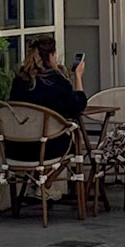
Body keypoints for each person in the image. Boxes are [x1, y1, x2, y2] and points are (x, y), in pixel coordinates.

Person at [5, 36, 87, 165]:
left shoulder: (19, 81)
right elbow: (77, 107)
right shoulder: (55, 80)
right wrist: (78, 76)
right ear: (51, 55)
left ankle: (34, 178)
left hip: (16, 149)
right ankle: (75, 176)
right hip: (48, 149)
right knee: (75, 135)